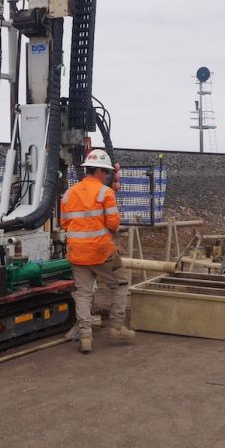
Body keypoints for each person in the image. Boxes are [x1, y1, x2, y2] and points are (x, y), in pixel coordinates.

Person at [60, 149, 135, 353]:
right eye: (106, 172)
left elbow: (64, 223)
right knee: (120, 285)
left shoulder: (69, 193)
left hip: (77, 252)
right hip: (102, 252)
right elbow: (113, 224)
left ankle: (85, 337)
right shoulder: (105, 192)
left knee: (83, 294)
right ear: (101, 171)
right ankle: (117, 327)